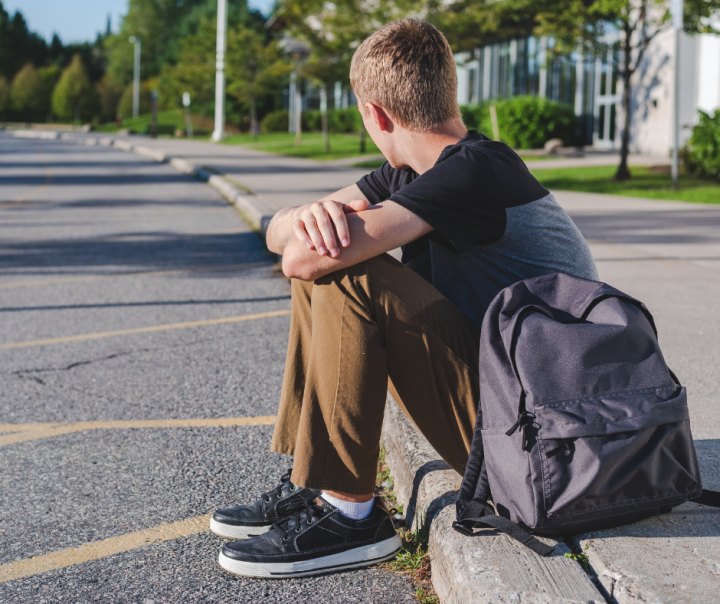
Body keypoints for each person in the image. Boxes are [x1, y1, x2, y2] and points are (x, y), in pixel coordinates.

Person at [211, 18, 598, 579]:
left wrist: (309, 231)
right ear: (449, 91)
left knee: (348, 272)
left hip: (544, 443)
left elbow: (301, 257)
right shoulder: (417, 173)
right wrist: (303, 215)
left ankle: (350, 514)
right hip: (520, 418)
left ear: (376, 114)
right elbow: (281, 234)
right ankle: (313, 481)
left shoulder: (473, 173)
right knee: (331, 256)